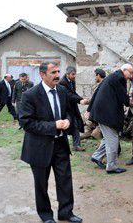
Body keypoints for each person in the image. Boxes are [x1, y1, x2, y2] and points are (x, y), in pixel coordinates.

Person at [19, 62, 82, 223]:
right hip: (39, 147)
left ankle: (66, 213)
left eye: (58, 71)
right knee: (41, 184)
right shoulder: (30, 95)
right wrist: (53, 125)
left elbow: (68, 111)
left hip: (60, 144)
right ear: (42, 75)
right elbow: (26, 122)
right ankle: (46, 216)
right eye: (53, 72)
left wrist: (67, 121)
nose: (57, 75)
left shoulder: (61, 90)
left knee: (65, 180)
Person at [86, 64, 133, 174]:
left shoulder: (112, 76)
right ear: (124, 70)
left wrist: (89, 109)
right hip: (107, 114)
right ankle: (111, 166)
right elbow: (123, 98)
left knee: (108, 137)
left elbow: (97, 92)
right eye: (129, 73)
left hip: (102, 113)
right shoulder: (120, 78)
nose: (130, 75)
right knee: (113, 140)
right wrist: (130, 99)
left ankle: (97, 156)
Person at [59, 66, 88, 151]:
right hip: (65, 107)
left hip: (72, 106)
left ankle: (76, 145)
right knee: (65, 126)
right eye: (73, 74)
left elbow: (73, 93)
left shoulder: (72, 81)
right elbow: (68, 95)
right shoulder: (62, 82)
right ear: (67, 74)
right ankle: (63, 145)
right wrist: (80, 100)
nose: (74, 76)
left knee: (75, 124)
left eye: (75, 74)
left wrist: (81, 99)